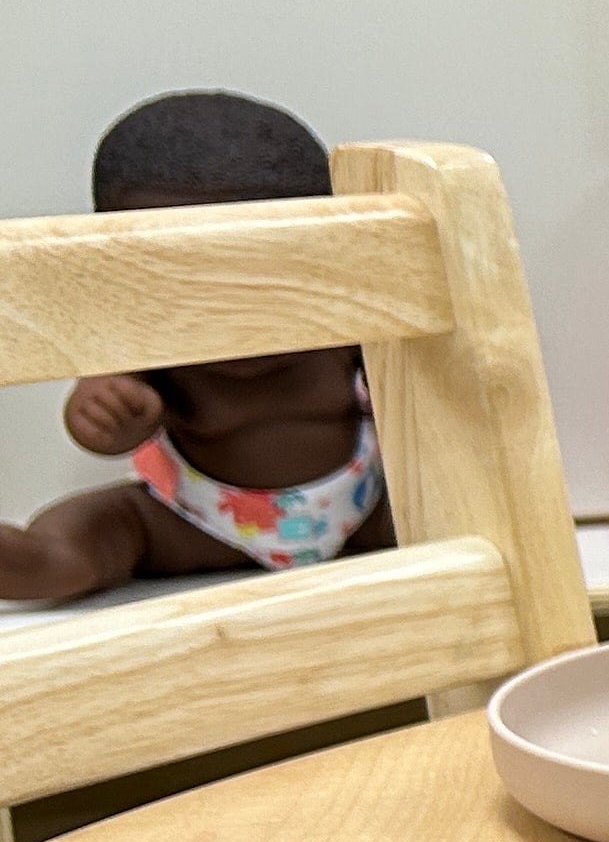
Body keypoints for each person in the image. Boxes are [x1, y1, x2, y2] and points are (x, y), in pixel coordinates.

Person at [0, 91, 388, 601]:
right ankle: (39, 559)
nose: (238, 301)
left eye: (270, 270)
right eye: (195, 275)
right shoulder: (148, 340)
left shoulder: (343, 327)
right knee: (105, 526)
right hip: (195, 518)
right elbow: (99, 424)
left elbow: (408, 391)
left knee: (450, 506)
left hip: (365, 501)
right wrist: (110, 413)